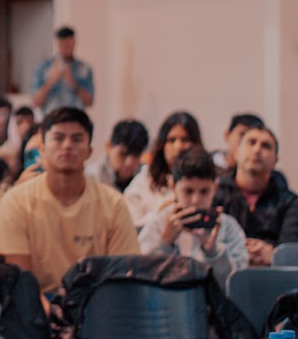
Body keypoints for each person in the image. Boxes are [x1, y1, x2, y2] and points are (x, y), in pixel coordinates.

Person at [0, 107, 139, 299]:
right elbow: (20, 282)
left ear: (89, 151)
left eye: (77, 139)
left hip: (95, 308)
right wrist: (49, 315)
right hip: (34, 309)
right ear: (42, 149)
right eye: (58, 138)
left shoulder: (114, 204)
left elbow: (122, 276)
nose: (67, 145)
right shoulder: (16, 201)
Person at [138, 146, 248, 281]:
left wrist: (213, 252)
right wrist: (165, 243)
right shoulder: (158, 224)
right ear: (172, 186)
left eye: (204, 191)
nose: (196, 200)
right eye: (188, 191)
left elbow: (237, 285)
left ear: (215, 188)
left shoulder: (228, 227)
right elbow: (141, 277)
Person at [213, 125, 298, 266]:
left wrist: (272, 253)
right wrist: (238, 250)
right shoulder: (215, 194)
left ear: (275, 160)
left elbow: (290, 250)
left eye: (266, 146)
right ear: (236, 152)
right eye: (251, 142)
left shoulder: (291, 202)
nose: (257, 150)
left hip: (274, 277)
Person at [123, 111, 201, 228]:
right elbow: (130, 226)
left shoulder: (205, 179)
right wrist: (161, 213)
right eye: (171, 140)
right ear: (162, 144)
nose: (178, 147)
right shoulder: (145, 180)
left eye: (185, 140)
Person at [30, 26, 94, 113]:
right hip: (51, 118)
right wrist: (51, 80)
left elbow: (89, 102)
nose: (64, 48)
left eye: (67, 45)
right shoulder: (43, 68)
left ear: (74, 43)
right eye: (61, 45)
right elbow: (35, 102)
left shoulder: (84, 69)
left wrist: (71, 81)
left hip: (75, 119)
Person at [85, 119, 149, 194]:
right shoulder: (92, 177)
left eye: (136, 155)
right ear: (108, 146)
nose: (129, 162)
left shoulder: (146, 176)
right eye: (123, 154)